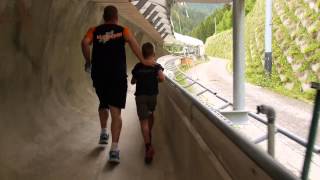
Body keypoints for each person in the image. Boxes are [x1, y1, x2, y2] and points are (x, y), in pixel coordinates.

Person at [81, 5, 153, 164]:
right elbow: (135, 47)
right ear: (116, 17)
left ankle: (103, 132)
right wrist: (144, 62)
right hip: (117, 77)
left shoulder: (93, 30)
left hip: (99, 76)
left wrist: (88, 62)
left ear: (104, 17)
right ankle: (114, 150)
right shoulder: (123, 30)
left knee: (103, 102)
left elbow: (84, 43)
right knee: (116, 113)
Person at [131, 42, 165, 164]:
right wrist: (155, 80)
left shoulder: (138, 66)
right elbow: (162, 78)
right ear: (154, 54)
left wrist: (138, 77)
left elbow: (132, 81)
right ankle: (149, 134)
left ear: (142, 54)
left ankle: (148, 147)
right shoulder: (156, 66)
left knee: (143, 122)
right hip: (152, 97)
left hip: (140, 97)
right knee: (150, 114)